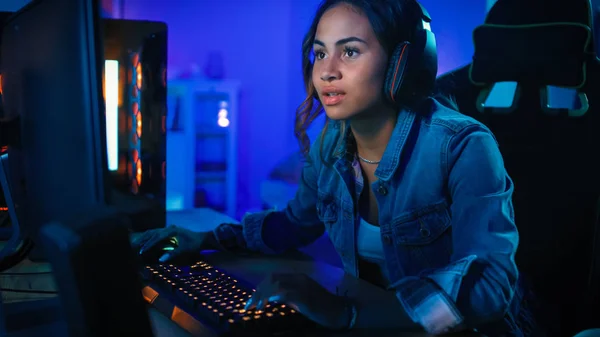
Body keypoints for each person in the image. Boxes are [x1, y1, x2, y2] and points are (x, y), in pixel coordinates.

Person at [133, 0, 538, 335]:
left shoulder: (462, 146)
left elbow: (489, 286)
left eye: (350, 51)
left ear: (403, 63)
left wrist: (345, 314)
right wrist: (203, 237)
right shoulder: (332, 143)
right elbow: (293, 224)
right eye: (320, 52)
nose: (327, 71)